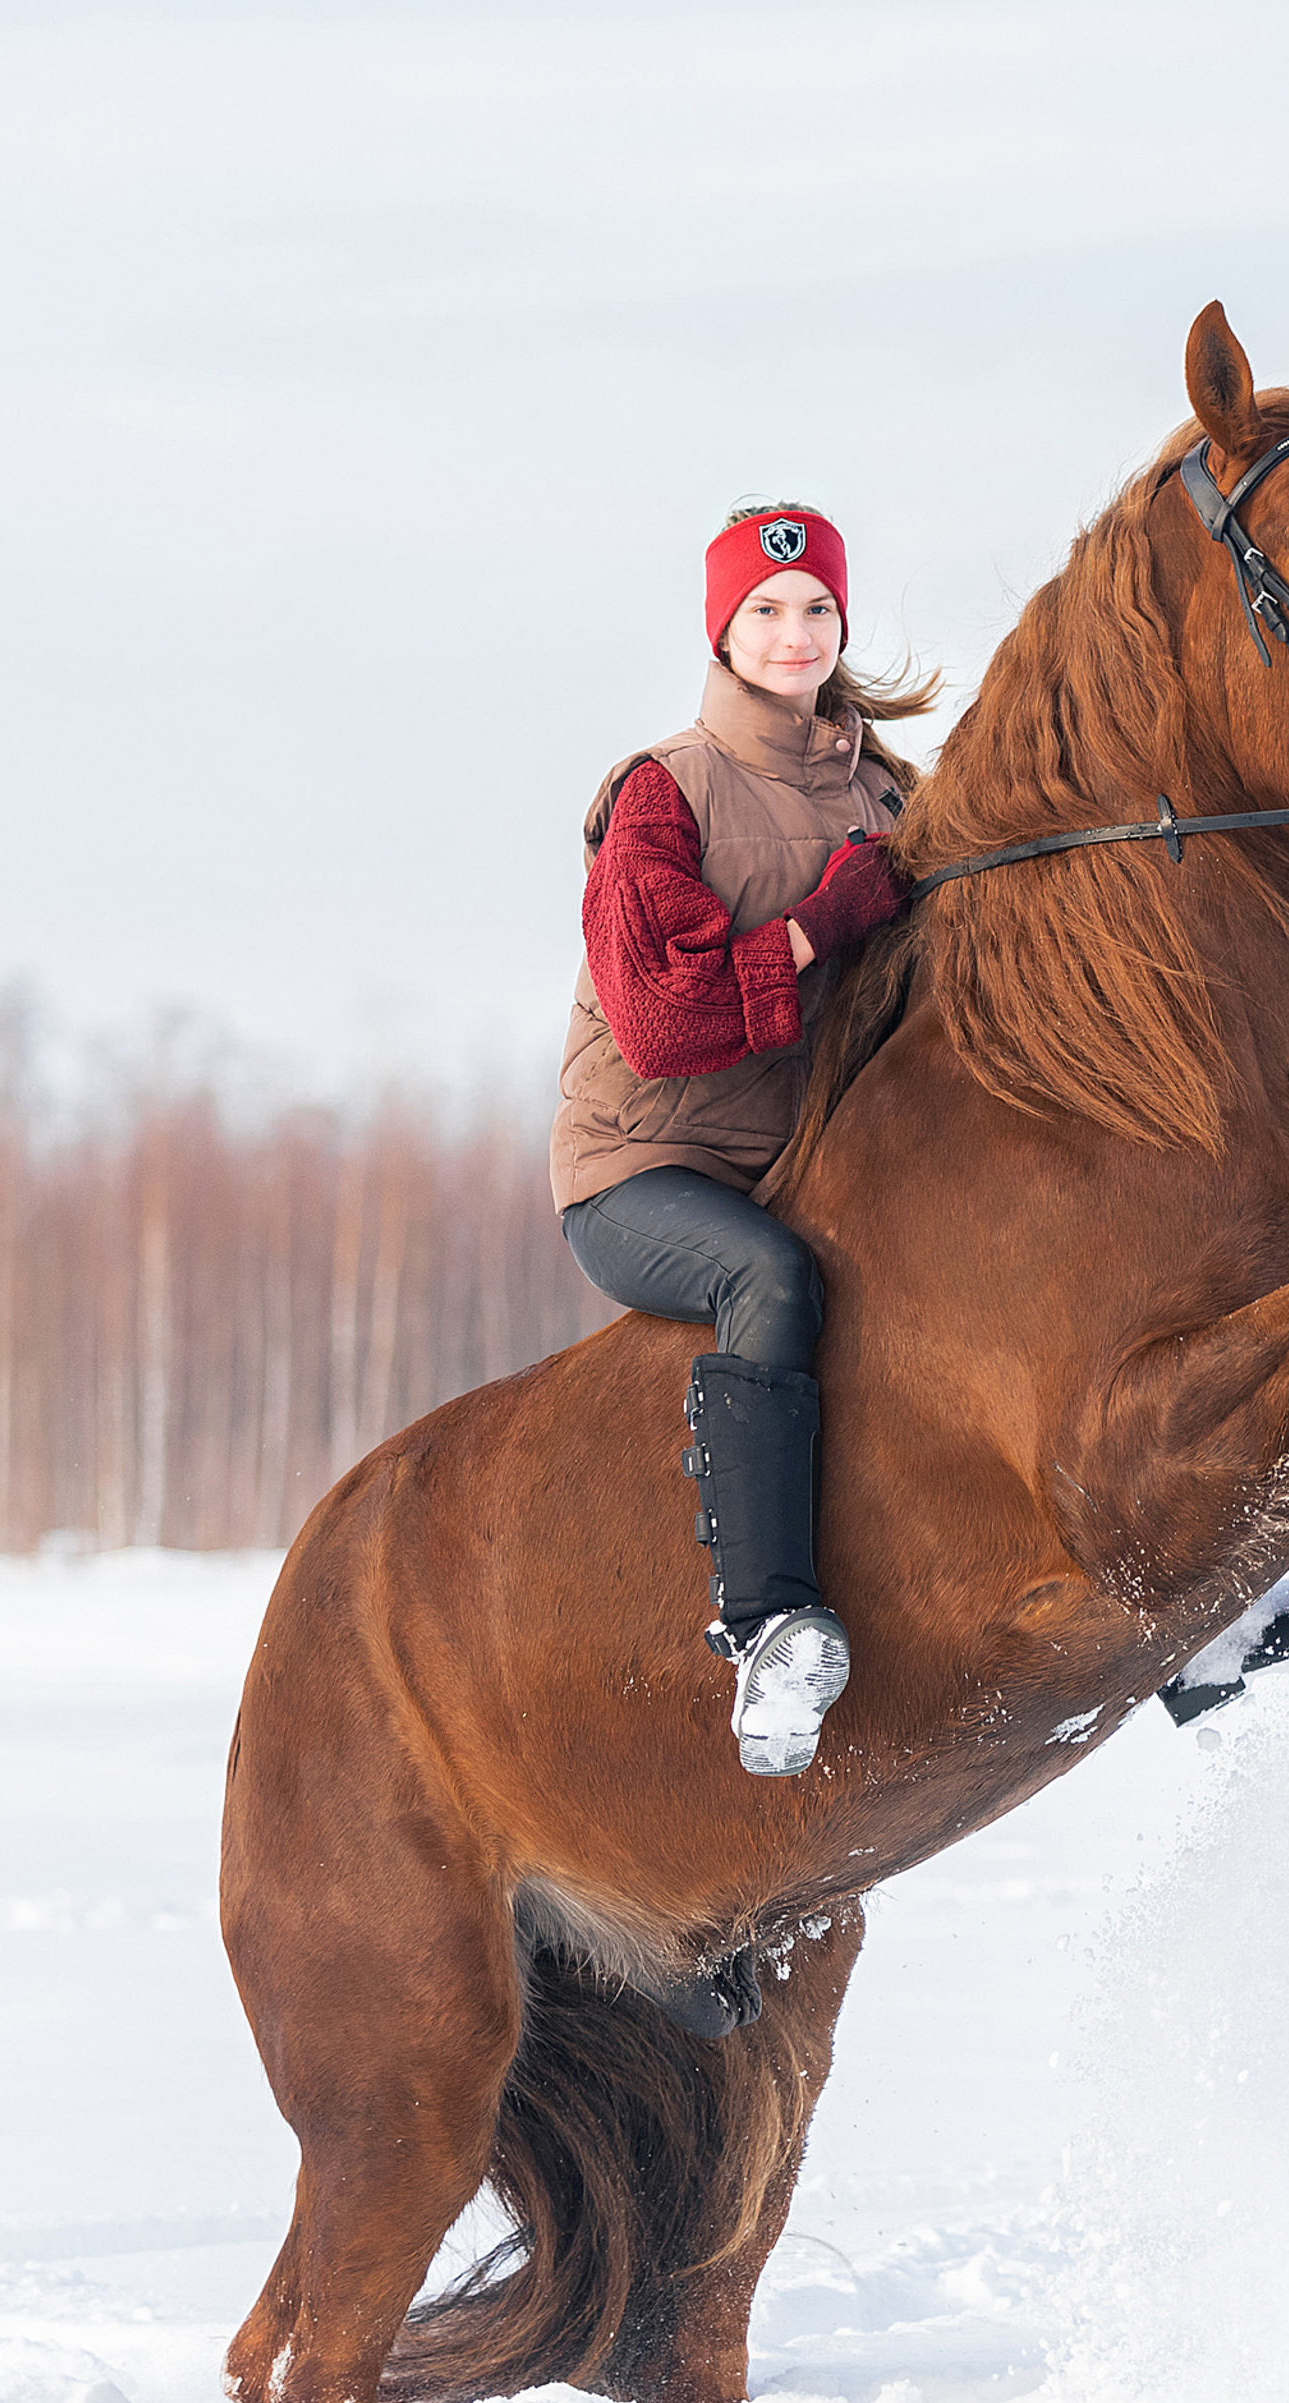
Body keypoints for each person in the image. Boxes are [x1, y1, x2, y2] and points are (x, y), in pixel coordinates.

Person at [552, 501, 931, 1776]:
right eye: (763, 610)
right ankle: (768, 1628)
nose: (793, 631)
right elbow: (661, 1022)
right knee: (766, 1276)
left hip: (802, 1161)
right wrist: (819, 926)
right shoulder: (661, 791)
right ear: (721, 629)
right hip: (642, 1171)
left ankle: (1186, 1621)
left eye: (816, 607)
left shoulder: (887, 793)